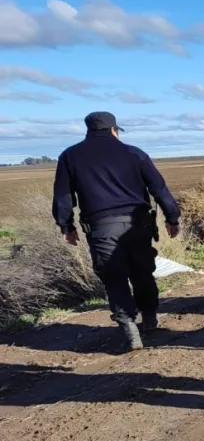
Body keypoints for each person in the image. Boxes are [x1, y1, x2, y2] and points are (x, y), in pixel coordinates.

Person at [52, 111, 181, 352]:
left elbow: (63, 196)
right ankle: (150, 319)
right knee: (143, 272)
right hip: (138, 226)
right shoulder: (134, 153)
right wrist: (172, 218)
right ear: (114, 130)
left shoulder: (70, 156)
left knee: (114, 277)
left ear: (88, 130)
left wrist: (66, 225)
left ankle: (129, 328)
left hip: (101, 228)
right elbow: (159, 188)